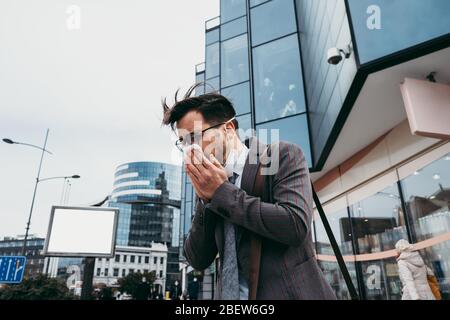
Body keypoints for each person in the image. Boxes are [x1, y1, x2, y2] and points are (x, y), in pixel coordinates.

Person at [161, 84, 335, 300]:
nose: (190, 149)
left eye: (195, 136)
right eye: (183, 143)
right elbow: (197, 258)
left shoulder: (281, 155)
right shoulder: (209, 189)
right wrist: (206, 201)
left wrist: (222, 192)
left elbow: (295, 225)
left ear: (228, 129)